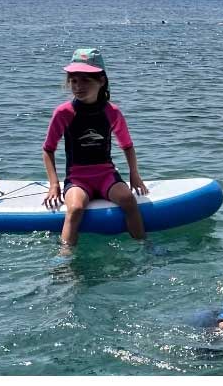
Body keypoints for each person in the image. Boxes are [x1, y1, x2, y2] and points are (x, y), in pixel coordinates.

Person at [42, 48, 148, 248]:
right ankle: (65, 259)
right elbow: (48, 149)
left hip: (106, 175)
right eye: (74, 80)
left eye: (85, 80)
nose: (78, 86)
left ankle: (144, 247)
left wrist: (134, 174)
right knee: (75, 209)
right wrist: (54, 184)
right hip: (77, 178)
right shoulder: (64, 112)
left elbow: (127, 146)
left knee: (128, 200)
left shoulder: (112, 112)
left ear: (101, 81)